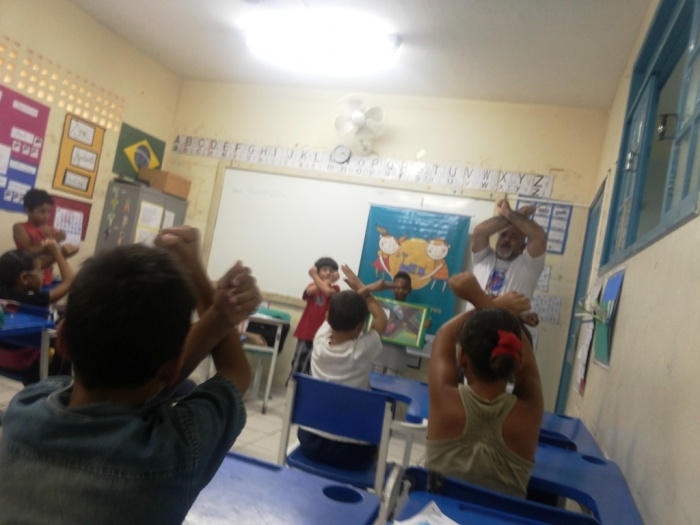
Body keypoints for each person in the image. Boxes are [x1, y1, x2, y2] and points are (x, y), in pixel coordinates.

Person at [0, 226, 261, 524]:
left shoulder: (24, 410)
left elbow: (141, 392)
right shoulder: (174, 452)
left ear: (63, 341)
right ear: (173, 367)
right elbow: (234, 371)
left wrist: (218, 311)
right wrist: (200, 278)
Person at [425, 271, 544, 498]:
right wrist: (490, 304)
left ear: (462, 359)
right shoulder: (530, 412)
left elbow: (443, 335)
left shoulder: (445, 399)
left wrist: (488, 302)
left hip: (436, 514)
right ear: (517, 362)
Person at [297, 265, 389, 469]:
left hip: (310, 441)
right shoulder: (362, 350)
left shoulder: (319, 342)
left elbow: (335, 313)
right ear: (360, 326)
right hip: (352, 452)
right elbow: (382, 319)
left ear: (327, 319)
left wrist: (362, 290)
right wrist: (362, 287)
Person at [0, 240, 75, 384]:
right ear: (24, 278)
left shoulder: (7, 300)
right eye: (40, 272)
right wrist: (57, 253)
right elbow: (70, 281)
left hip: (3, 360)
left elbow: (31, 270)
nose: (43, 276)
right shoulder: (32, 300)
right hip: (28, 365)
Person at [471, 198, 546, 328]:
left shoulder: (529, 265)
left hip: (508, 335)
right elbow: (479, 232)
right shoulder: (482, 258)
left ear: (523, 246)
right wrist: (512, 215)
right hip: (473, 330)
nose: (506, 240)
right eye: (503, 235)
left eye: (513, 237)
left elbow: (539, 237)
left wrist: (510, 214)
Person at [287, 256, 340, 382]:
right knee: (298, 362)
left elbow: (328, 292)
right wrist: (318, 279)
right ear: (318, 272)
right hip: (306, 332)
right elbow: (309, 292)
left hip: (323, 335)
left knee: (315, 366)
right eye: (324, 270)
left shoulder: (335, 289)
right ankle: (292, 387)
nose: (328, 273)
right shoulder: (312, 286)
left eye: (331, 270)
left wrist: (315, 276)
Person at [12, 188, 79, 288]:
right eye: (42, 212)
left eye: (49, 212)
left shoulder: (50, 229)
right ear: (28, 210)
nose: (46, 216)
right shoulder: (20, 227)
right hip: (27, 280)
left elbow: (52, 252)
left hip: (46, 278)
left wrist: (67, 250)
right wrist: (55, 242)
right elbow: (29, 253)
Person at [371, 271, 429, 376]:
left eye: (404, 288)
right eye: (397, 287)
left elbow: (417, 340)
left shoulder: (416, 314)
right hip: (377, 356)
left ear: (409, 290)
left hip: (396, 360)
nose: (400, 290)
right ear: (392, 288)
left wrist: (423, 330)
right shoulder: (381, 306)